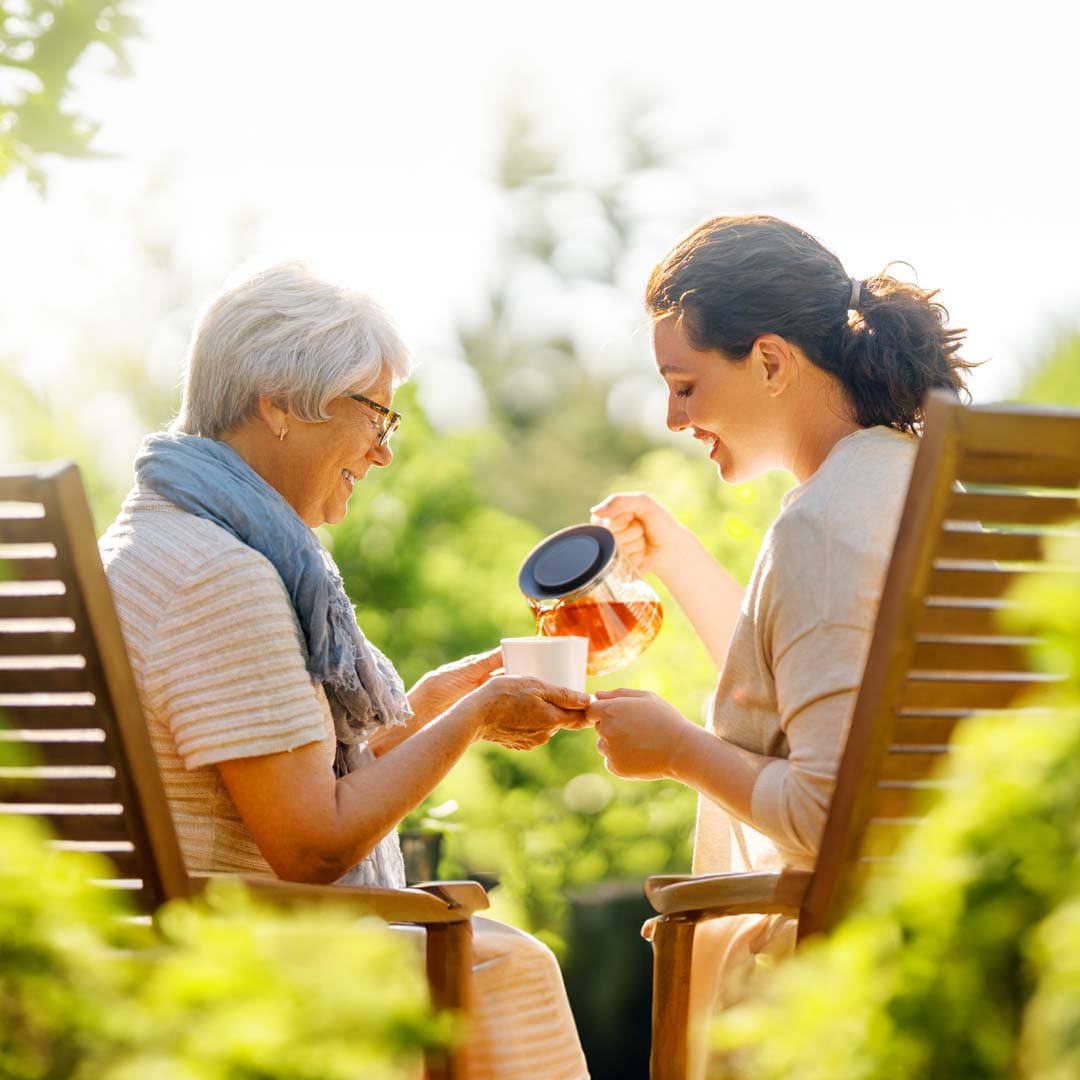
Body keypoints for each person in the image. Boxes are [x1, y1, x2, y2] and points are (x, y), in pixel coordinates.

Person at [100, 262, 590, 1080]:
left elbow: (275, 772)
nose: (384, 452)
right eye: (376, 414)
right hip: (237, 959)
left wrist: (437, 703)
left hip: (153, 944)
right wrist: (472, 720)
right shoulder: (220, 575)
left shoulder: (153, 543)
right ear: (280, 402)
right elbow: (312, 845)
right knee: (509, 964)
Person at [587, 215, 975, 1077]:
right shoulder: (913, 483)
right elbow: (820, 706)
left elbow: (827, 816)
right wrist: (679, 557)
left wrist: (678, 750)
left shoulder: (824, 525)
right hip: (953, 942)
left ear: (769, 361)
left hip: (828, 987)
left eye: (684, 384)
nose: (672, 415)